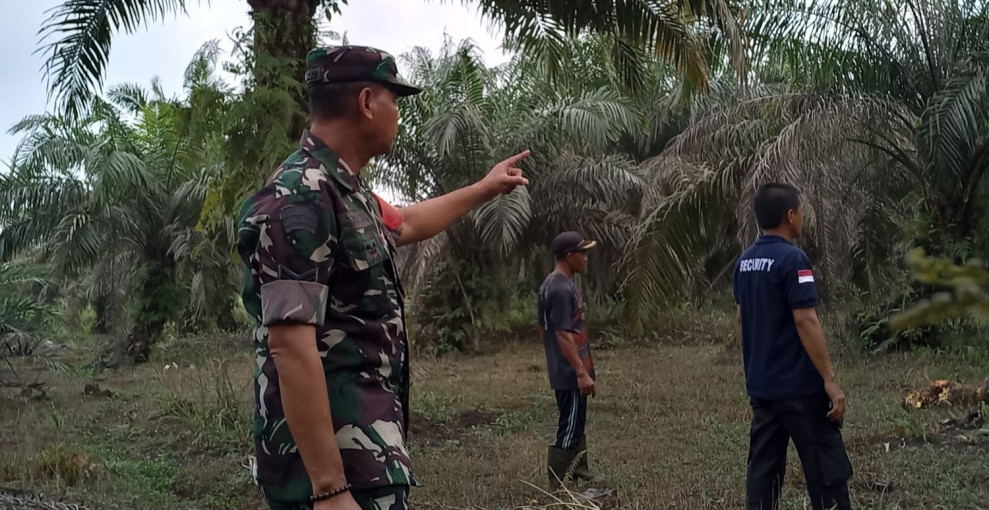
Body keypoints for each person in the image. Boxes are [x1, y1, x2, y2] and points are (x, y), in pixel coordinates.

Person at [235, 45, 530, 510]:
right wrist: (330, 489)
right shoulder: (299, 197)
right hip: (333, 471)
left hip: (366, 455)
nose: (398, 114)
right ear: (367, 102)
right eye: (395, 99)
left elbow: (407, 224)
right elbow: (289, 345)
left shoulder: (346, 191)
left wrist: (485, 187)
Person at [732, 183, 854, 510]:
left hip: (762, 388)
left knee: (763, 472)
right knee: (826, 470)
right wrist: (829, 378)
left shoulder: (744, 262)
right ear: (790, 215)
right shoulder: (793, 259)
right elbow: (806, 321)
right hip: (800, 389)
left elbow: (744, 318)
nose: (802, 217)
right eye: (800, 211)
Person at [537, 231, 605, 492]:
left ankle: (579, 467)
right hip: (570, 371)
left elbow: (543, 329)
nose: (586, 258)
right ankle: (555, 484)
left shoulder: (549, 284)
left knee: (576, 420)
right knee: (569, 425)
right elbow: (562, 333)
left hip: (565, 366)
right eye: (582, 253)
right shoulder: (561, 288)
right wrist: (580, 372)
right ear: (569, 256)